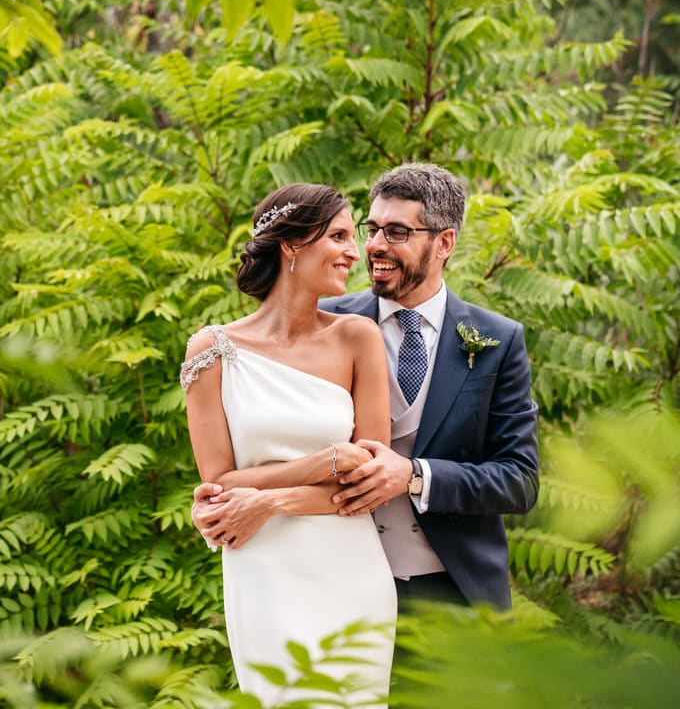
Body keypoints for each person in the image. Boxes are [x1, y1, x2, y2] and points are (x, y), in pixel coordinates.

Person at [194, 163, 540, 611]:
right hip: (329, 573)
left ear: (444, 242)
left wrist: (415, 476)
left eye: (396, 232)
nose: (373, 246)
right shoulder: (326, 321)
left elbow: (519, 480)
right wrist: (217, 503)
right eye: (371, 228)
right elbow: (252, 438)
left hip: (453, 587)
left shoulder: (498, 340)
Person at [180, 183, 397, 707]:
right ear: (291, 245)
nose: (355, 251)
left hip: (351, 568)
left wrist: (269, 499)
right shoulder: (213, 350)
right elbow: (220, 486)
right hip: (263, 568)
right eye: (340, 235)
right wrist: (323, 461)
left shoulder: (357, 338)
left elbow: (371, 482)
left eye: (354, 236)